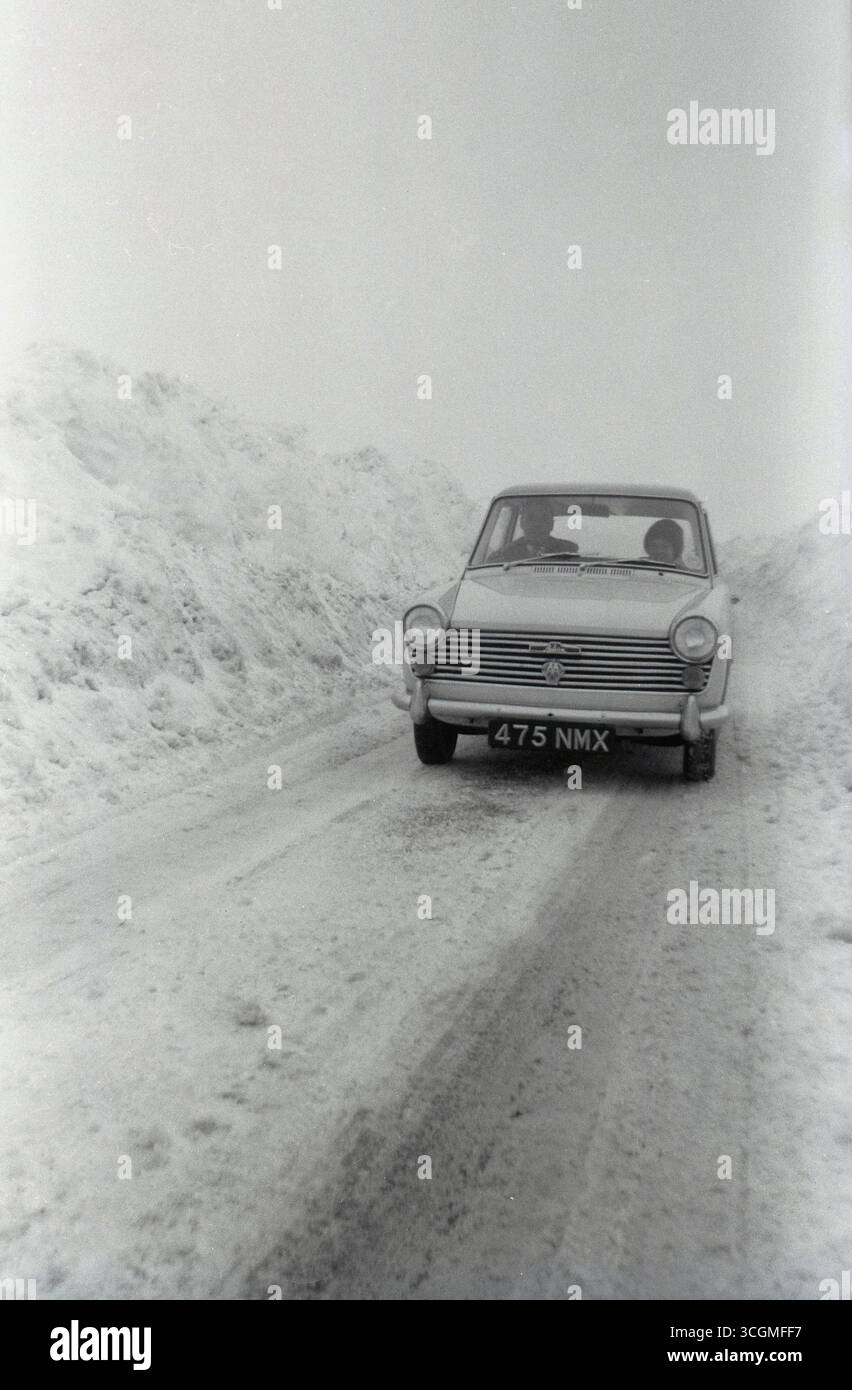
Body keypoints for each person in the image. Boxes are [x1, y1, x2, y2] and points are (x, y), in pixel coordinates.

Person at [496, 497, 579, 562]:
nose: (537, 524)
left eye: (543, 518)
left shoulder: (568, 551)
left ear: (551, 524)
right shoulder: (504, 555)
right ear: (521, 522)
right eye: (531, 518)